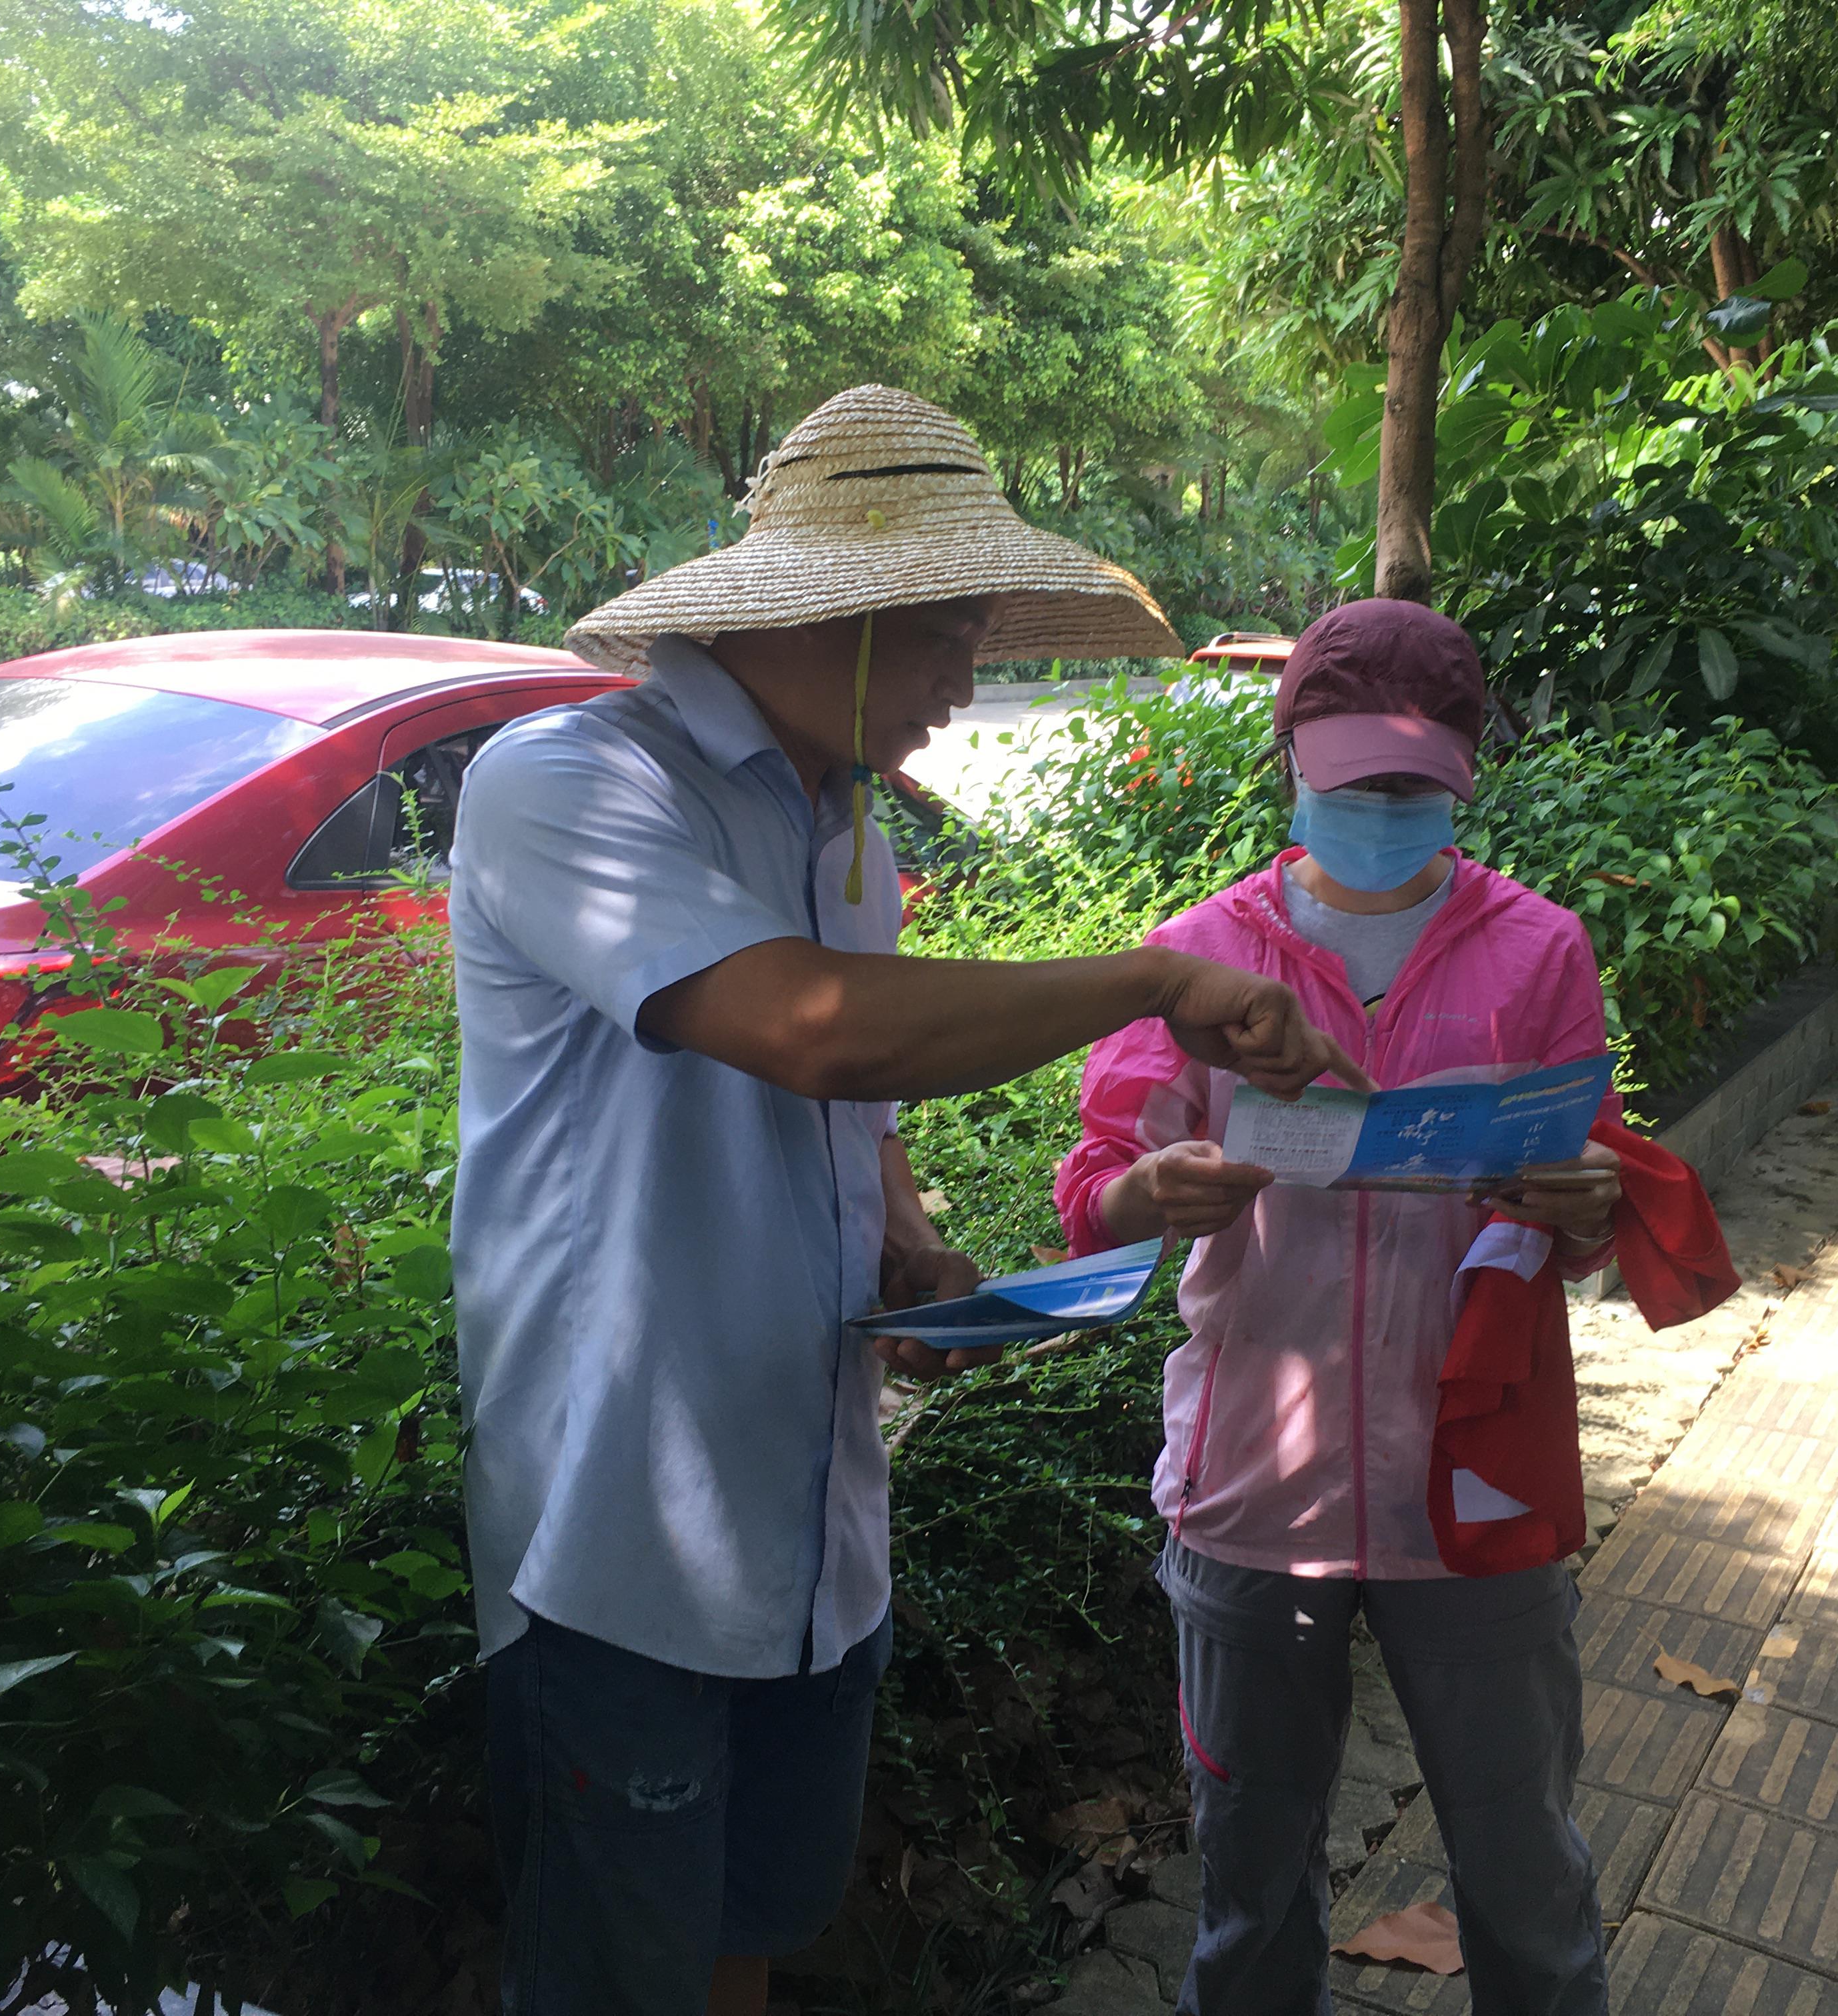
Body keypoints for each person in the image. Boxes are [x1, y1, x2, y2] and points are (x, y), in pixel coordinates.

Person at [447, 385, 1369, 2016]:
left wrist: (913, 1244)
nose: (968, 675)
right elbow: (810, 1027)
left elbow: (851, 1102)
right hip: (612, 1541)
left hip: (813, 1523)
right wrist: (1156, 977)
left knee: (748, 1933)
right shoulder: (571, 781)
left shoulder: (844, 822)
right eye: (949, 630)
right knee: (614, 1979)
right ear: (831, 612)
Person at [1055, 601, 1651, 2016]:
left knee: (1525, 1870)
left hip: (1476, 1479)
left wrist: (1589, 1202)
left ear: (1464, 773)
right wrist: (1153, 1190)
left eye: (1411, 782)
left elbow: (1587, 1197)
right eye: (1351, 776)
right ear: (1290, 763)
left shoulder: (1538, 950)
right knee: (1251, 1885)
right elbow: (1091, 1194)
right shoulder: (1198, 953)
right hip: (1253, 1483)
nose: (1380, 806)